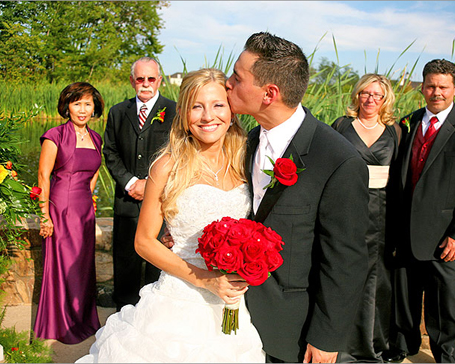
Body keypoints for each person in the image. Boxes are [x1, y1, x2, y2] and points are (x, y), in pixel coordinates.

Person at [76, 68, 264, 363]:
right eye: (196, 106)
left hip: (233, 301)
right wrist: (206, 280)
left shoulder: (248, 160)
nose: (207, 116)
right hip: (179, 303)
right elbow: (144, 242)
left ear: (231, 109)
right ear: (183, 113)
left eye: (217, 105)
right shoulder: (167, 166)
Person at [226, 31, 370, 363]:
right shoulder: (244, 143)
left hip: (291, 331)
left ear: (269, 93)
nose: (228, 83)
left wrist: (326, 338)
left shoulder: (338, 160)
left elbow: (345, 262)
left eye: (237, 77)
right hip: (235, 319)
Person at [383, 59, 455, 363]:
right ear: (423, 87)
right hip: (404, 231)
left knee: (443, 304)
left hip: (444, 237)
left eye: (443, 86)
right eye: (430, 86)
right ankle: (401, 347)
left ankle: (446, 356)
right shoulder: (408, 122)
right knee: (403, 297)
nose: (437, 92)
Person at [332, 74, 401, 362]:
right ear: (357, 95)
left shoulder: (396, 132)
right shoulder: (341, 126)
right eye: (365, 93)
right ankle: (338, 341)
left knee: (377, 278)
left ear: (385, 100)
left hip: (381, 212)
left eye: (377, 95)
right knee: (343, 270)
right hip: (346, 207)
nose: (371, 99)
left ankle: (372, 343)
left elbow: (400, 177)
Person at [103, 56, 176, 311]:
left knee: (158, 259)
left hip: (162, 202)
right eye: (140, 79)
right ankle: (123, 313)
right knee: (125, 259)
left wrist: (151, 185)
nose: (145, 84)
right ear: (132, 80)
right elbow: (110, 152)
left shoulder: (176, 112)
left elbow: (180, 153)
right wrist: (131, 181)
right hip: (127, 200)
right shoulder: (117, 112)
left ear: (160, 81)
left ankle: (154, 314)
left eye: (151, 78)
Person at [34, 82, 104, 344]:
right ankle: (59, 324)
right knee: (62, 267)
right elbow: (43, 176)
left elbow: (94, 174)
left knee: (82, 268)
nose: (82, 109)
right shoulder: (55, 136)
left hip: (84, 212)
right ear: (67, 107)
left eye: (87, 103)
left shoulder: (96, 138)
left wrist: (90, 199)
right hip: (60, 209)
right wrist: (44, 215)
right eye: (77, 104)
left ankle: (82, 319)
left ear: (94, 106)